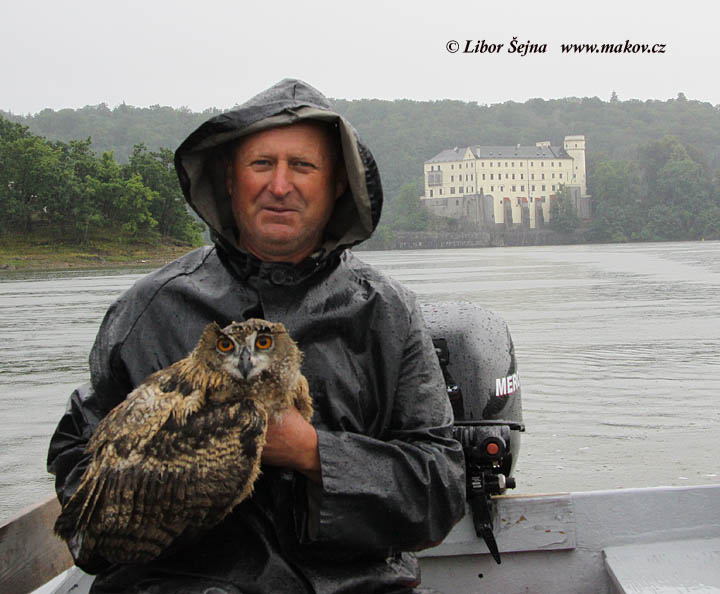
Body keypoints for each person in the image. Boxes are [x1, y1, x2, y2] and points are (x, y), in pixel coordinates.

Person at [48, 78, 466, 594]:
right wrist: (160, 493)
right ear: (230, 178)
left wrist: (311, 451)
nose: (281, 185)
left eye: (304, 166)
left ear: (338, 183)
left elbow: (441, 488)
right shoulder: (148, 308)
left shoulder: (387, 312)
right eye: (262, 164)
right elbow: (76, 456)